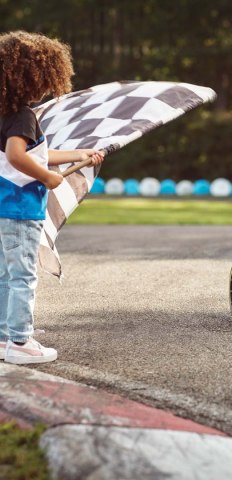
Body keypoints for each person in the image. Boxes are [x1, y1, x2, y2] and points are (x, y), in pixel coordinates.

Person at [0, 31, 104, 364]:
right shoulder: (23, 115)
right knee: (22, 276)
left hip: (5, 207)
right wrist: (47, 178)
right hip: (20, 209)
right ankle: (20, 342)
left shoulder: (7, 114)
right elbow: (19, 156)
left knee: (6, 274)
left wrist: (80, 153)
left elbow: (38, 152)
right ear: (35, 77)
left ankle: (5, 337)